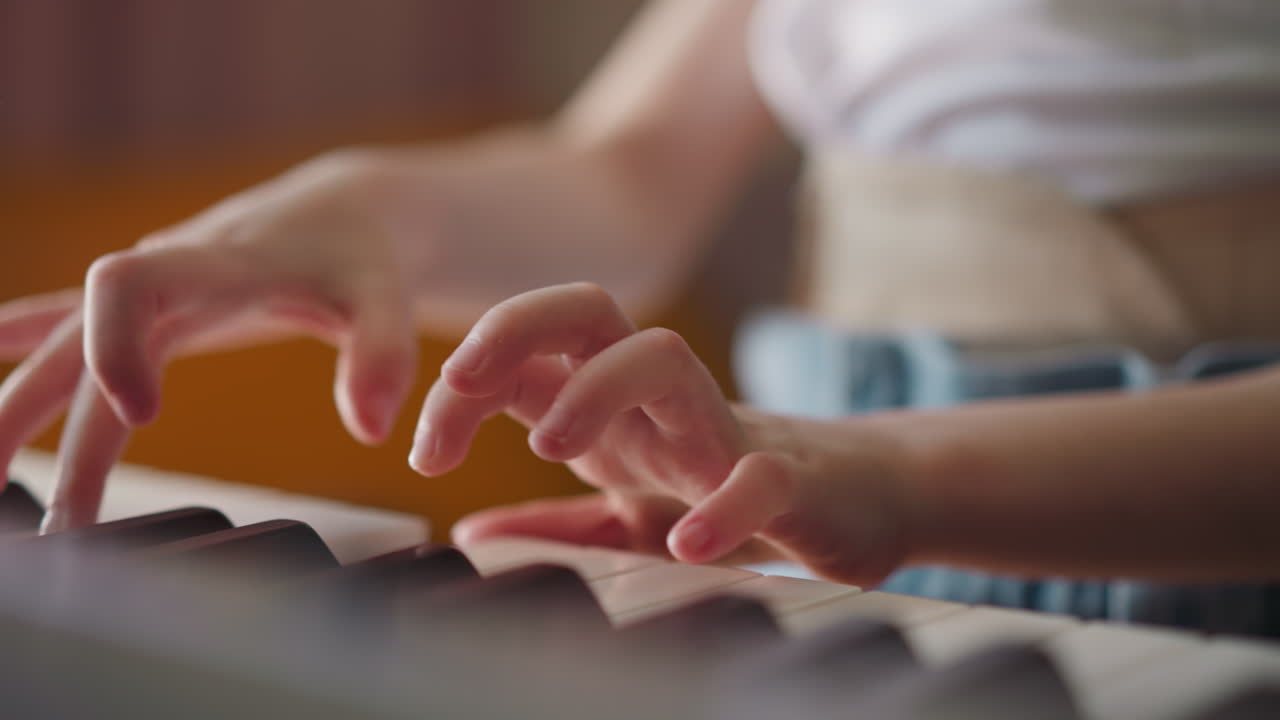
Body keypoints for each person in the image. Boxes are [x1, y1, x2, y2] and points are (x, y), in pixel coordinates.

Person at [2, 0, 1279, 633]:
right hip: (823, 537)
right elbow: (627, 173)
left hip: (1196, 568)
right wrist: (361, 214)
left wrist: (891, 477)